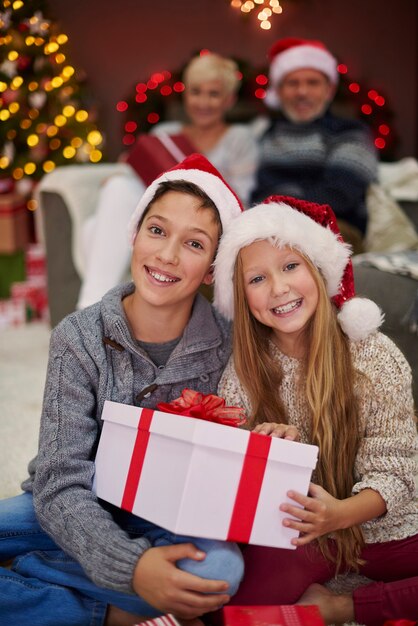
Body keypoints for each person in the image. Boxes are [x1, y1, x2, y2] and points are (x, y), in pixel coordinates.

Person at [0, 154, 250, 626]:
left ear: (214, 268)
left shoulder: (229, 343)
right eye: (157, 231)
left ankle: (34, 578)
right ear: (134, 235)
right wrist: (132, 569)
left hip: (174, 515)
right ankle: (110, 612)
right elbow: (59, 481)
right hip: (74, 500)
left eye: (193, 244)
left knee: (220, 574)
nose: (168, 255)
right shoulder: (77, 336)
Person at [213, 196, 418, 625]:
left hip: (387, 525)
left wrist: (340, 514)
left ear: (318, 271)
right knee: (234, 607)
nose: (279, 288)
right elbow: (232, 484)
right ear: (242, 296)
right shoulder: (244, 372)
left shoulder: (373, 355)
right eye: (257, 278)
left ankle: (345, 605)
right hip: (305, 535)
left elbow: (396, 470)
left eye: (291, 266)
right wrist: (262, 453)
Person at [77, 52, 258, 310]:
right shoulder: (164, 134)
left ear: (229, 100)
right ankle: (99, 309)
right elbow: (135, 176)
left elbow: (242, 198)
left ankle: (91, 309)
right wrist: (119, 173)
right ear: (185, 95)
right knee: (116, 189)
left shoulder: (239, 138)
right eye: (196, 92)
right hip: (160, 219)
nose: (203, 102)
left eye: (213, 94)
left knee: (92, 230)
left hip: (203, 223)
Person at [252, 37, 378, 252]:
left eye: (313, 82)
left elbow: (340, 194)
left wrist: (276, 207)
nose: (302, 92)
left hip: (334, 228)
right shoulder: (265, 133)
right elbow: (252, 190)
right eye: (293, 83)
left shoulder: (350, 132)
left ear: (329, 90)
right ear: (279, 91)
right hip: (267, 225)